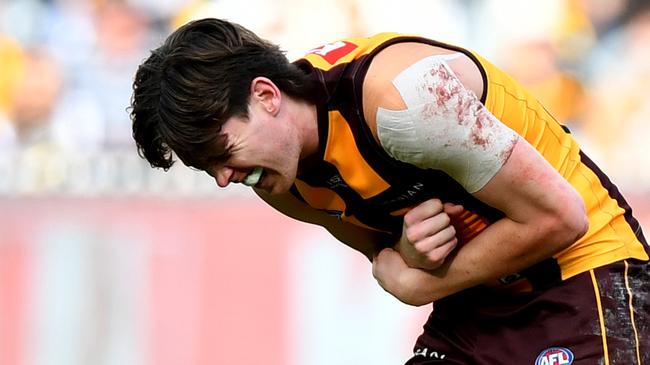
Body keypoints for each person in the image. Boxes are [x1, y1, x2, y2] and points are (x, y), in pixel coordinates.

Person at [129, 18, 649, 364]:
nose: (224, 178)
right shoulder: (276, 177)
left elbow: (562, 219)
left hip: (586, 276)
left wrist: (413, 283)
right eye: (207, 168)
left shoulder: (403, 99)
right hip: (476, 308)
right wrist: (403, 255)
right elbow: (391, 256)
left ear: (265, 95)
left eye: (223, 152)